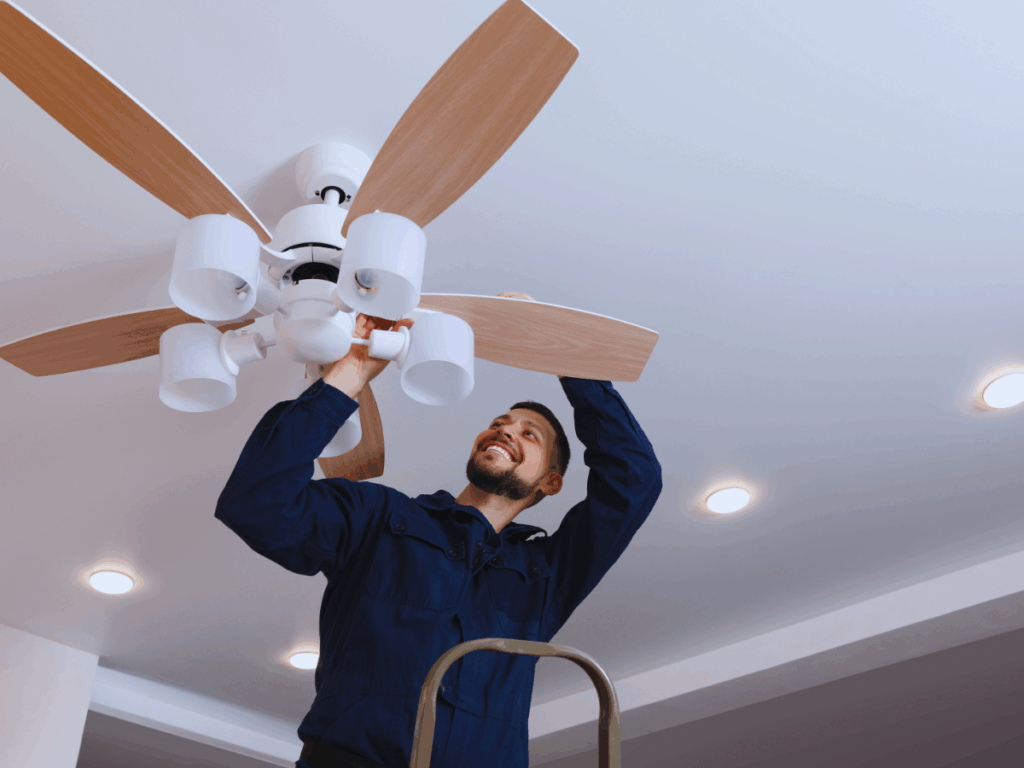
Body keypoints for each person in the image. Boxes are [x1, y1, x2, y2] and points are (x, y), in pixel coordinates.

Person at [215, 294, 662, 768]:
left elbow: (634, 479)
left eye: (529, 433)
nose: (505, 430)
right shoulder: (379, 518)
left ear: (551, 482)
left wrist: (555, 349)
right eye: (499, 423)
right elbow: (257, 503)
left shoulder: (544, 576)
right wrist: (346, 377)